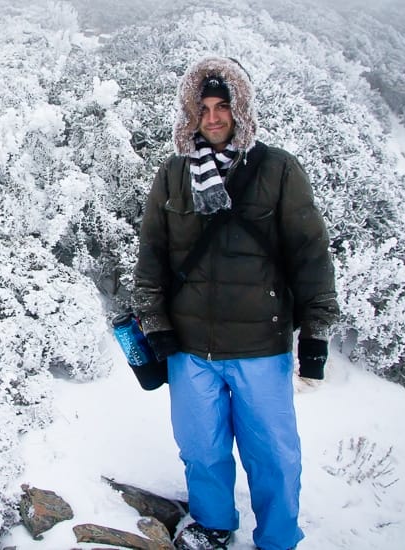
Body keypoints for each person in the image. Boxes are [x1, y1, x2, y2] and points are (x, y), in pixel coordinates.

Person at [132, 56, 339, 550]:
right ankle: (213, 525)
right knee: (201, 450)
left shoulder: (279, 169)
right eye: (202, 108)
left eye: (222, 105)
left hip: (260, 345)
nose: (213, 117)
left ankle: (278, 538)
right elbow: (152, 254)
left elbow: (310, 253)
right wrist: (155, 323)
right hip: (190, 346)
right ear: (189, 114)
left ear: (240, 109)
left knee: (273, 455)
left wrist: (315, 336)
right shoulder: (173, 173)